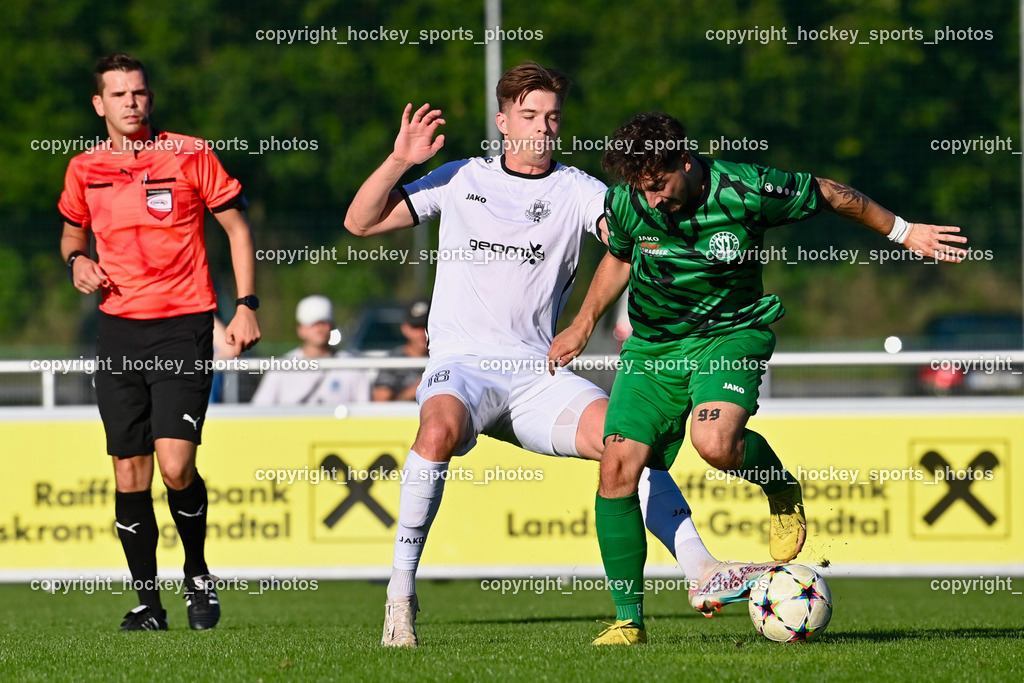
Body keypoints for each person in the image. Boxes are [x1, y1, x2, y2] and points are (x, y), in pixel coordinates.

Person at [345, 64, 774, 648]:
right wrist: (400, 160)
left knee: (623, 442)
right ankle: (400, 594)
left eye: (553, 118)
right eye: (529, 116)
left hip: (537, 373)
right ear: (502, 122)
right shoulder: (459, 177)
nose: (544, 129)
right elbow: (359, 221)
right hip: (464, 367)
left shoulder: (578, 190)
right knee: (438, 428)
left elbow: (629, 243)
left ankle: (702, 570)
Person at [548, 111, 969, 644]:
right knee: (616, 470)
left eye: (659, 185)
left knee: (715, 444)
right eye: (641, 188)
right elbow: (618, 257)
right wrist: (583, 323)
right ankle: (628, 621)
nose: (652, 199)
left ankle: (780, 490)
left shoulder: (747, 188)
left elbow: (833, 193)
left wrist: (904, 232)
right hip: (653, 349)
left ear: (685, 160)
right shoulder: (629, 201)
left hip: (731, 335)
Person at [58, 53, 261, 631]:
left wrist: (245, 306)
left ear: (150, 97)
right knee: (128, 474)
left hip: (184, 325)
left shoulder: (190, 154)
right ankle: (148, 603)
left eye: (139, 93)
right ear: (99, 104)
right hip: (118, 331)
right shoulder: (83, 168)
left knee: (175, 467)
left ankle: (197, 573)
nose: (131, 102)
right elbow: (73, 234)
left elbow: (237, 228)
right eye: (119, 95)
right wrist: (78, 262)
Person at [251, 295, 371, 405]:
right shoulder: (282, 367)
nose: (319, 328)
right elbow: (260, 409)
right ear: (300, 329)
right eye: (313, 324)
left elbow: (365, 411)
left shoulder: (352, 366)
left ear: (332, 327)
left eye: (324, 323)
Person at [371, 298, 430, 402]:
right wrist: (416, 390)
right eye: (416, 327)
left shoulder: (443, 358)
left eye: (427, 326)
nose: (422, 333)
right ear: (405, 328)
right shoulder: (392, 361)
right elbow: (380, 402)